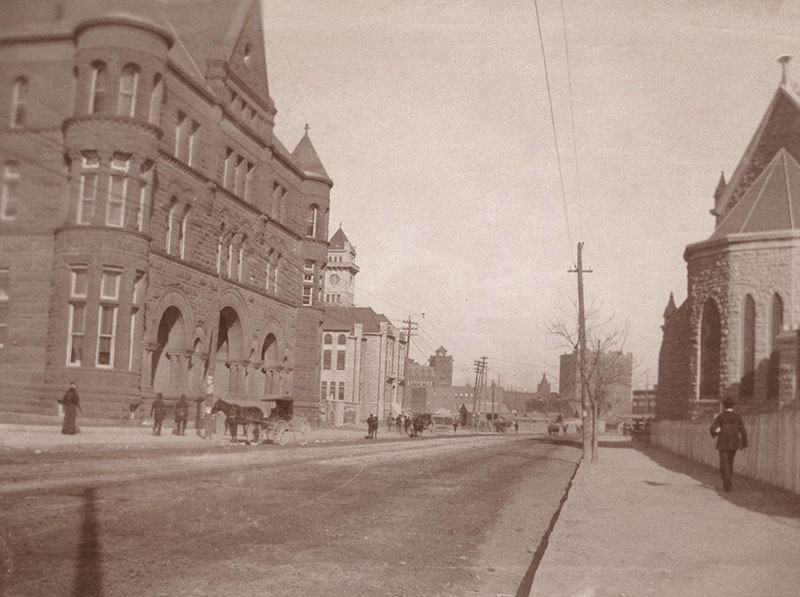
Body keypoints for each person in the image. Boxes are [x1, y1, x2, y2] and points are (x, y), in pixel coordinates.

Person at [709, 399, 748, 492]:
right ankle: (728, 480)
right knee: (730, 462)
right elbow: (743, 430)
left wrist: (717, 433)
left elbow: (713, 428)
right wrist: (744, 443)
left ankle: (726, 483)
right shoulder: (737, 417)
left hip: (723, 443)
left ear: (724, 406)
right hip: (734, 443)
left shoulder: (720, 416)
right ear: (733, 407)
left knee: (723, 463)